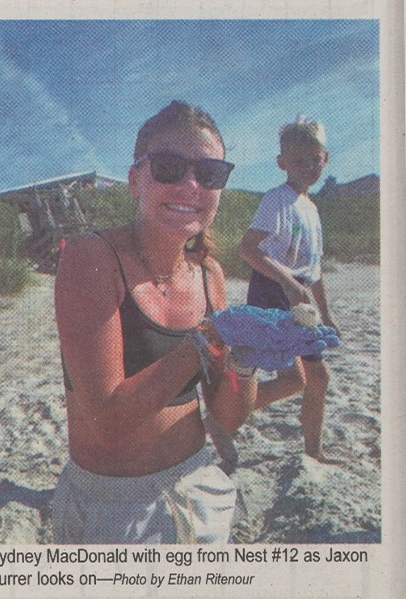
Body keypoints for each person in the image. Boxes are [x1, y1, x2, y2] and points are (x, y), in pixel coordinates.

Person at [52, 101, 259, 544]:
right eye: (168, 166)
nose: (190, 184)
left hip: (198, 484)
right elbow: (108, 419)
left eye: (209, 174)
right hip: (112, 504)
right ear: (134, 180)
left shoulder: (210, 275)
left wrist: (246, 360)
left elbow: (226, 414)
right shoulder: (92, 257)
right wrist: (204, 341)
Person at [239, 116, 340, 461]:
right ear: (282, 163)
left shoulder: (311, 208)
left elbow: (315, 270)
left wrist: (326, 314)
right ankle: (222, 415)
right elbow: (248, 249)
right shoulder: (276, 200)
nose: (309, 166)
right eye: (299, 160)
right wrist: (288, 282)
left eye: (315, 158)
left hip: (299, 297)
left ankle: (313, 452)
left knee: (314, 379)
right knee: (298, 379)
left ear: (325, 157)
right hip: (273, 292)